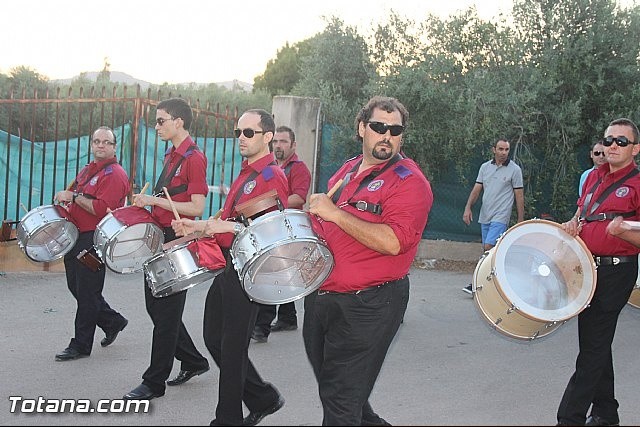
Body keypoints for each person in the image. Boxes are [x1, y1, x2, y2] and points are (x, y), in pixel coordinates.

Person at [302, 96, 432, 425]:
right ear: (362, 129)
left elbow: (393, 242)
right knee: (342, 395)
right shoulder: (347, 170)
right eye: (378, 127)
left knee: (340, 401)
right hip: (323, 297)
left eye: (395, 129)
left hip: (369, 305)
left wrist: (334, 213)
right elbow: (327, 227)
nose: (386, 135)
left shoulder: (410, 182)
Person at [172, 108, 289, 426]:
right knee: (213, 339)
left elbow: (261, 233)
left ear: (267, 137)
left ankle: (227, 420)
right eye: (238, 132)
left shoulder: (269, 177)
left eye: (248, 133)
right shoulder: (246, 172)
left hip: (247, 271)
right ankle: (263, 397)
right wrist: (197, 227)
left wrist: (212, 228)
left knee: (233, 349)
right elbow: (233, 220)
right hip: (229, 267)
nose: (241, 138)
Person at [123, 98, 210, 400]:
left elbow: (197, 207)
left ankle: (153, 382)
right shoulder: (171, 155)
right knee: (158, 308)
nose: (156, 126)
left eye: (161, 121)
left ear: (179, 122)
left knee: (167, 312)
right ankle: (194, 360)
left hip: (178, 241)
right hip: (160, 237)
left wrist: (154, 201)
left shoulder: (194, 158)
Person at [556, 118, 640, 426]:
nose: (613, 146)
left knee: (592, 346)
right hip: (587, 268)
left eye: (621, 141)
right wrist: (572, 225)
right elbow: (583, 215)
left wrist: (624, 233)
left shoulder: (638, 184)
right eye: (608, 141)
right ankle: (607, 412)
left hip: (617, 273)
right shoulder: (593, 178)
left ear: (636, 149)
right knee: (596, 342)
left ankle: (569, 418)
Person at [53, 126, 129, 361]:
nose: (100, 145)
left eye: (106, 142)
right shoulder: (88, 170)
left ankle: (80, 345)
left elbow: (100, 209)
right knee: (77, 287)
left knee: (87, 292)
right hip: (76, 236)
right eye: (96, 141)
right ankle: (112, 321)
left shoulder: (114, 174)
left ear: (114, 147)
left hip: (94, 239)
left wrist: (74, 197)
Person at [252, 125, 312, 343]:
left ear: (293, 145)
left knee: (272, 275)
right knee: (282, 273)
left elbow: (299, 198)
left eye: (283, 142)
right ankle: (288, 318)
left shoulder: (299, 168)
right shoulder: (269, 167)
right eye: (275, 141)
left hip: (286, 228)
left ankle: (261, 327)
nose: (278, 145)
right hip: (271, 225)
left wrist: (270, 202)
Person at [461, 138, 524, 294]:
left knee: (489, 247)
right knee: (488, 251)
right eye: (501, 149)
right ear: (494, 149)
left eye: (507, 150)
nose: (503, 153)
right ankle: (496, 283)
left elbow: (519, 195)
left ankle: (477, 282)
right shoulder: (484, 167)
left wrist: (520, 220)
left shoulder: (515, 170)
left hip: (501, 216)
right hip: (485, 215)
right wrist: (468, 208)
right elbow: (476, 190)